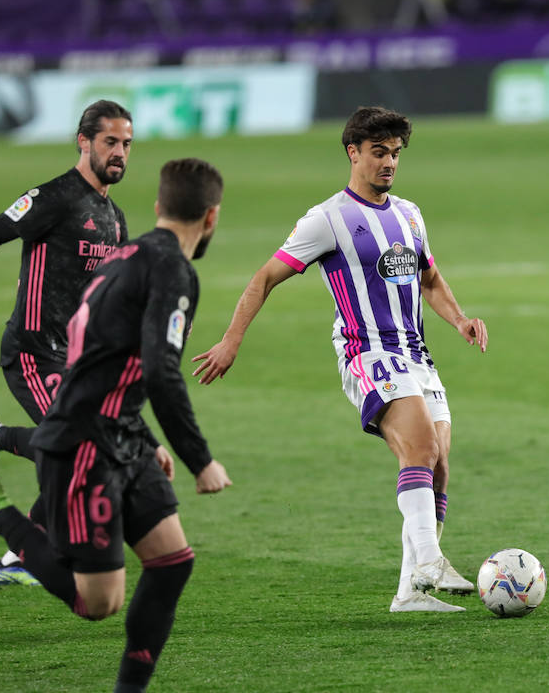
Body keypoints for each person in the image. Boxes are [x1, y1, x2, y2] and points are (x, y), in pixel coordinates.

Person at [0, 158, 233, 693]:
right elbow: (162, 373)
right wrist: (200, 459)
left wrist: (142, 437)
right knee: (98, 603)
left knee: (171, 562)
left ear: (161, 206)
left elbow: (104, 356)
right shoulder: (173, 273)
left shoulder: (126, 255)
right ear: (211, 217)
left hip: (119, 433)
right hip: (86, 440)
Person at [190, 106, 487, 614]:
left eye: (395, 153)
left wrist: (459, 319)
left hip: (415, 353)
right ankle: (431, 560)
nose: (389, 162)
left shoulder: (409, 214)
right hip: (366, 351)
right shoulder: (326, 219)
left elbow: (429, 278)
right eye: (378, 153)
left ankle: (409, 595)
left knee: (438, 465)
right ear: (353, 153)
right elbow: (264, 277)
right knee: (418, 446)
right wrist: (230, 340)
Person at [0, 99, 134, 586]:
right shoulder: (54, 197)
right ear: (84, 141)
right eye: (111, 142)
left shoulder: (115, 219)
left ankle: (19, 553)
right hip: (33, 351)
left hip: (77, 363)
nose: (120, 153)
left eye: (127, 144)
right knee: (78, 451)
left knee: (93, 458)